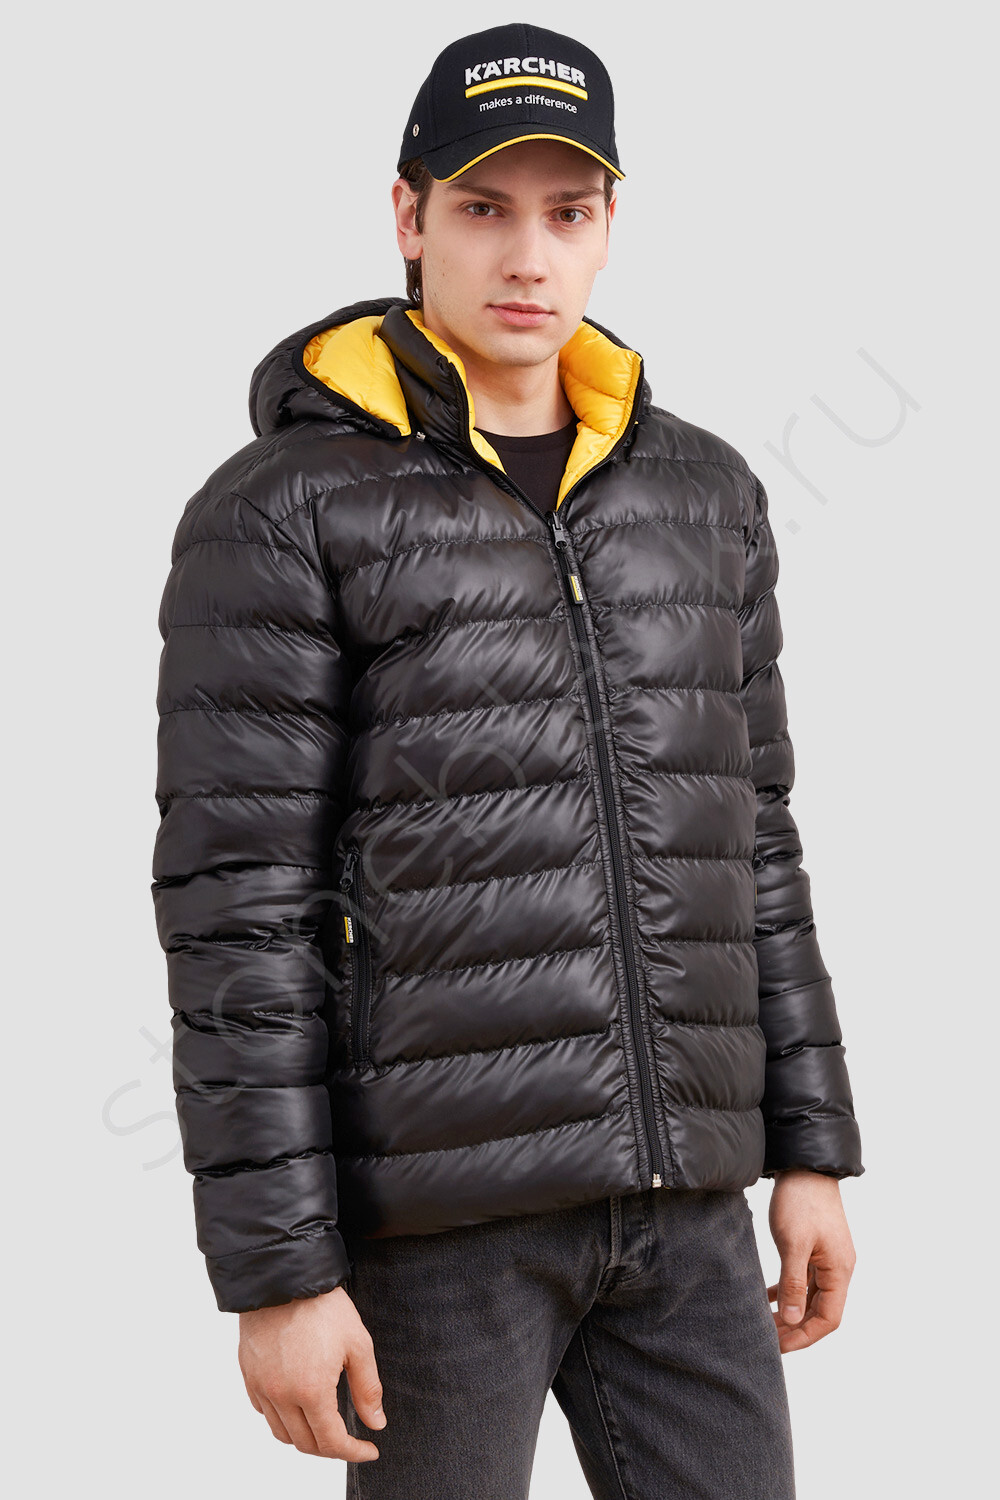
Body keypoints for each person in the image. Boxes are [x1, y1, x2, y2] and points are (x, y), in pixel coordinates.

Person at [151, 22, 864, 1499]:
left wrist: (810, 1152)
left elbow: (757, 841)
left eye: (568, 211)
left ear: (609, 225)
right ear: (408, 216)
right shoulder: (285, 509)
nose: (528, 256)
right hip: (438, 1235)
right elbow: (239, 911)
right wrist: (279, 1275)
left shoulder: (706, 494)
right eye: (483, 207)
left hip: (687, 1212)